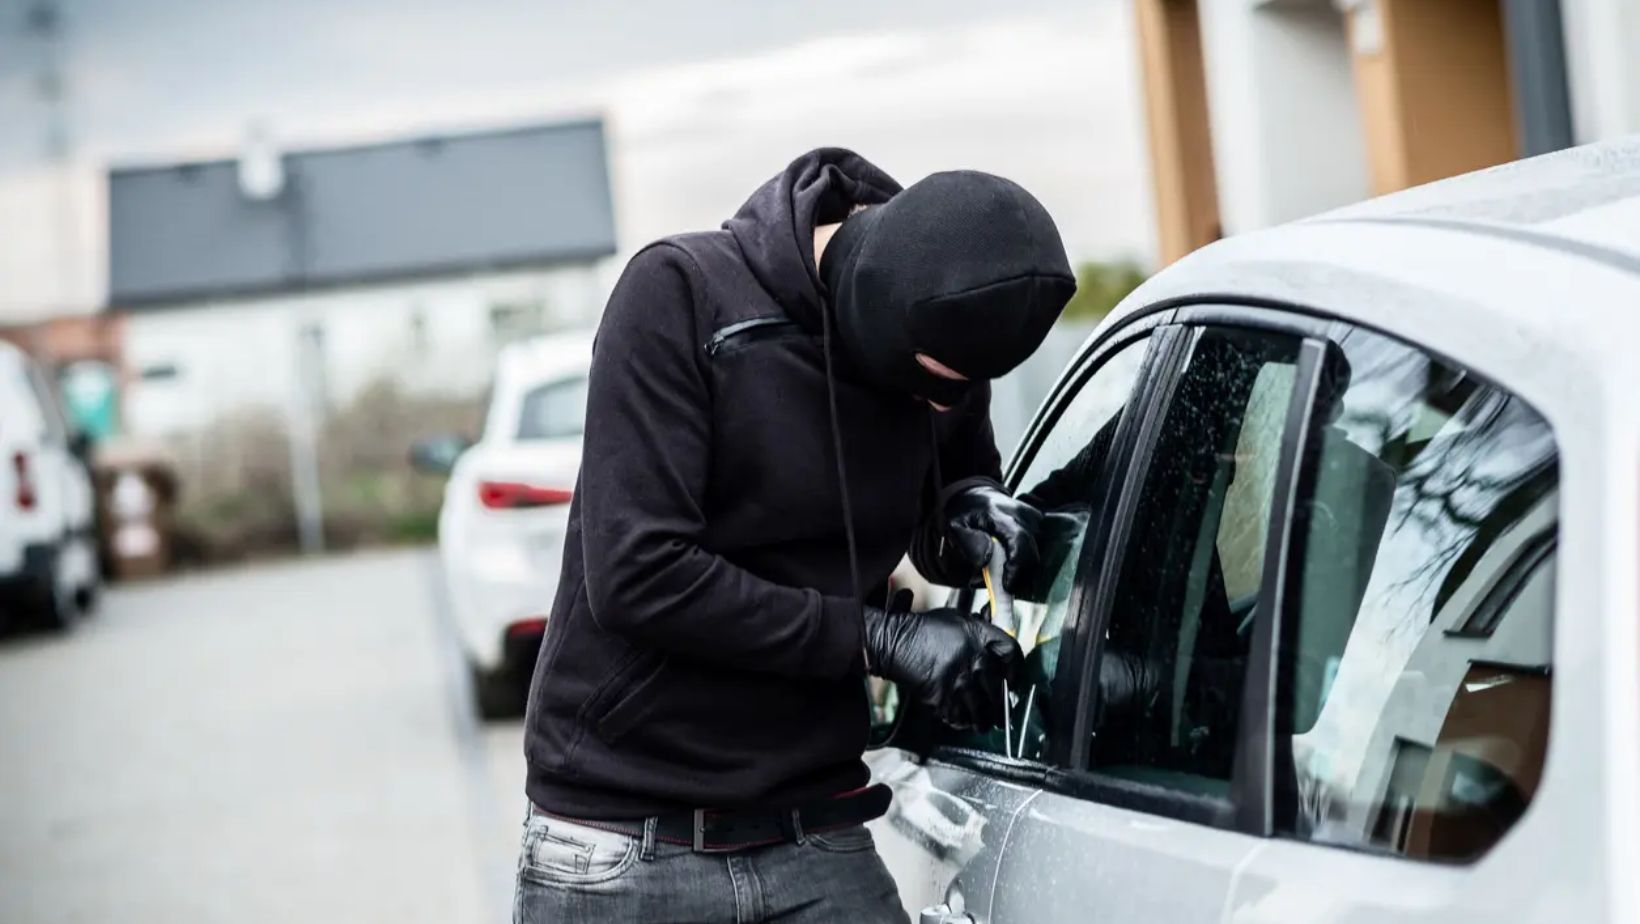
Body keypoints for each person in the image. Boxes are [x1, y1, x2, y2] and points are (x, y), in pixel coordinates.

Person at [515, 148, 1075, 923]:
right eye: (934, 384)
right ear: (873, 314)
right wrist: (878, 639)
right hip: (624, 841)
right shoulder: (681, 296)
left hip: (815, 827)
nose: (945, 403)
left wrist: (967, 508)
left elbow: (932, 504)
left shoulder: (945, 337)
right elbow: (639, 573)